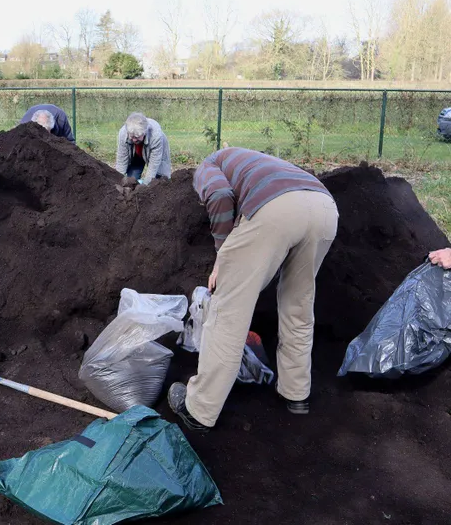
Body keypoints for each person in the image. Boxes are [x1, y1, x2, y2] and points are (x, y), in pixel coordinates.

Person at [167, 147, 339, 431]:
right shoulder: (255, 162)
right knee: (298, 304)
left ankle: (199, 409)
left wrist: (222, 258)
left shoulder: (207, 165)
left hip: (275, 210)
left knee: (228, 310)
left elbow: (220, 196)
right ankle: (296, 394)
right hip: (324, 209)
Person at [115, 112, 172, 184]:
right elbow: (121, 160)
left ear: (144, 132)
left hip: (157, 153)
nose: (134, 140)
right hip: (136, 153)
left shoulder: (156, 136)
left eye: (137, 137)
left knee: (159, 181)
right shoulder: (123, 133)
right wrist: (117, 180)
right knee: (131, 181)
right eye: (132, 136)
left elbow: (154, 164)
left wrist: (145, 185)